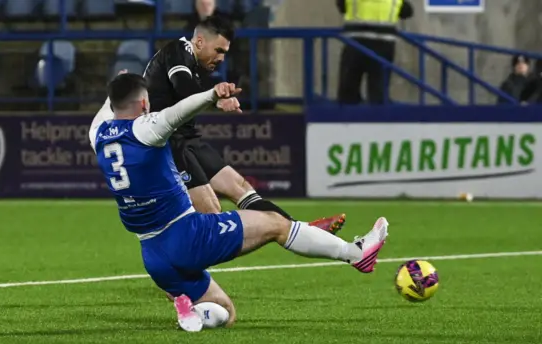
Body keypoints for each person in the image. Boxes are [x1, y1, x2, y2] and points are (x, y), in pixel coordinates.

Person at [89, 73, 390, 331]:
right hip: (186, 234)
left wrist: (114, 91)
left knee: (226, 315)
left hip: (153, 255)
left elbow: (107, 112)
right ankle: (355, 254)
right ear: (144, 104)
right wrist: (211, 94)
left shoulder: (98, 134)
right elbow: (178, 112)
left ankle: (187, 306)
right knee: (275, 223)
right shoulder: (146, 128)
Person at [93, 16, 345, 234]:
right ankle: (181, 273)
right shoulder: (178, 51)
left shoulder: (199, 65)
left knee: (241, 188)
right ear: (200, 41)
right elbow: (184, 88)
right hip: (168, 145)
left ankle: (300, 230)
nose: (222, 58)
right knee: (211, 212)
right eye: (219, 50)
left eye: (225, 52)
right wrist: (215, 100)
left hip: (188, 139)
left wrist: (215, 98)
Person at [336, 0, 414, 104]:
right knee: (378, 94)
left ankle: (346, 116)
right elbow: (407, 12)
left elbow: (341, 6)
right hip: (382, 47)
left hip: (355, 45)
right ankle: (377, 114)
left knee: (348, 92)